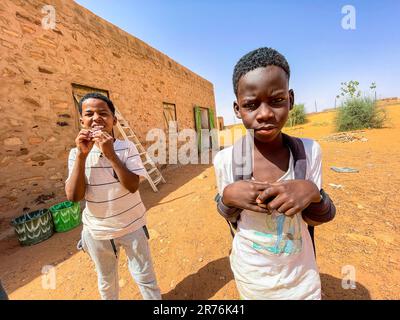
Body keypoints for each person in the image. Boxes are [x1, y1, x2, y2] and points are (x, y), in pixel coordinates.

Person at [213, 47, 335, 300]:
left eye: (277, 100)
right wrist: (227, 197)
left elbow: (318, 218)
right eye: (251, 105)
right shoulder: (226, 161)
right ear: (237, 109)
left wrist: (312, 193)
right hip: (253, 279)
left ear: (290, 98)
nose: (265, 113)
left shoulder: (309, 152)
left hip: (301, 278)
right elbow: (228, 217)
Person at [65, 92, 161, 300]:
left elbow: (133, 186)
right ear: (81, 121)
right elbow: (74, 196)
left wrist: (110, 154)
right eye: (89, 114)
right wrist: (82, 156)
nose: (96, 118)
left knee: (144, 275)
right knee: (106, 280)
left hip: (132, 226)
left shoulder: (126, 148)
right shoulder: (76, 153)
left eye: (103, 113)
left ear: (114, 121)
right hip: (97, 232)